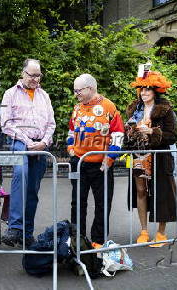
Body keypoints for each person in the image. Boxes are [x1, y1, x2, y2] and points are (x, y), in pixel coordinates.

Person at [0, 59, 56, 247]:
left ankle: (26, 233)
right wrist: (27, 141)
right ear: (23, 73)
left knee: (32, 190)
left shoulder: (44, 96)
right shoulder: (10, 94)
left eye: (38, 75)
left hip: (40, 145)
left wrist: (44, 142)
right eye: (31, 75)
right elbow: (6, 123)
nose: (35, 79)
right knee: (20, 173)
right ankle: (14, 227)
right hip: (19, 143)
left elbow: (51, 124)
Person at [67, 73, 124, 249]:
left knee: (102, 204)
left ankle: (98, 242)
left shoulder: (108, 106)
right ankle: (78, 241)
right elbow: (71, 131)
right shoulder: (77, 108)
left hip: (101, 166)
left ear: (90, 89)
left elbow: (118, 135)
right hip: (79, 163)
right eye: (75, 91)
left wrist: (110, 158)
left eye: (78, 90)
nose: (76, 94)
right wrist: (70, 150)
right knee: (77, 203)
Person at [125, 70, 177, 247]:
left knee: (161, 192)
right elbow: (127, 135)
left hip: (160, 158)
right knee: (140, 191)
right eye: (141, 89)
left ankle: (161, 233)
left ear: (156, 91)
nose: (144, 92)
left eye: (148, 89)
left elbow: (172, 136)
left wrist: (152, 132)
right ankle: (144, 231)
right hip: (139, 155)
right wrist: (130, 133)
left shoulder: (165, 110)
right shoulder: (134, 109)